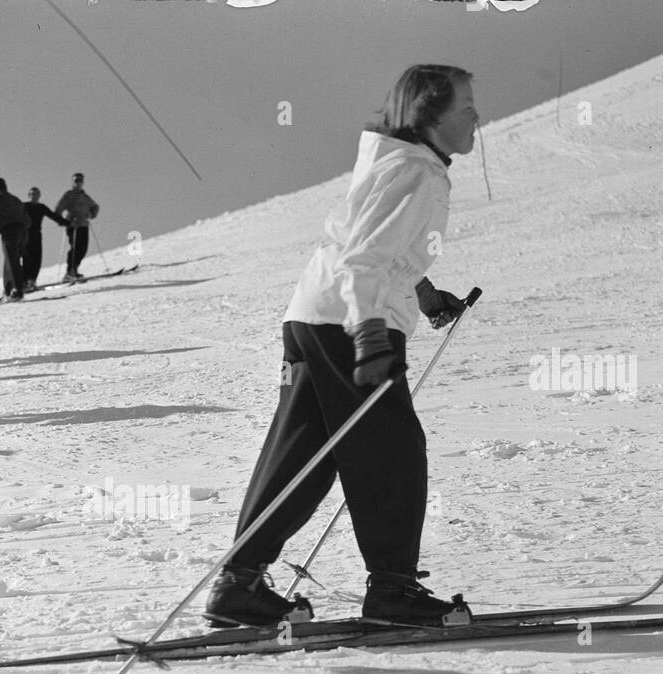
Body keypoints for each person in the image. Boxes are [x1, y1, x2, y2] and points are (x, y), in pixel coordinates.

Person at [204, 64, 478, 629]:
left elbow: (370, 245)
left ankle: (240, 583)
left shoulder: (396, 163)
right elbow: (364, 259)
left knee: (304, 450)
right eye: (466, 110)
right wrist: (372, 336)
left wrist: (423, 296)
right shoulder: (418, 173)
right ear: (430, 117)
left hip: (315, 314)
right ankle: (394, 592)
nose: (477, 119)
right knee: (393, 451)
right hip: (351, 323)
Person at [54, 172, 99, 283]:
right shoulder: (69, 195)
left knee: (83, 248)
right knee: (75, 248)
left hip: (83, 225)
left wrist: (91, 214)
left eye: (80, 180)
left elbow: (95, 206)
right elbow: (58, 209)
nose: (78, 183)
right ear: (72, 182)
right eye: (76, 180)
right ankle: (70, 272)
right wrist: (64, 222)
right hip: (73, 226)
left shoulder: (84, 196)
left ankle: (74, 270)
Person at [20, 186, 64, 292]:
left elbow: (53, 216)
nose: (34, 196)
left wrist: (67, 223)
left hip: (37, 236)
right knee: (27, 259)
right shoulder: (23, 206)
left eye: (36, 194)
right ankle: (25, 282)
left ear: (39, 196)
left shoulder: (41, 207)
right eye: (32, 194)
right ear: (29, 196)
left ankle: (32, 281)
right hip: (26, 236)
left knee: (37, 259)